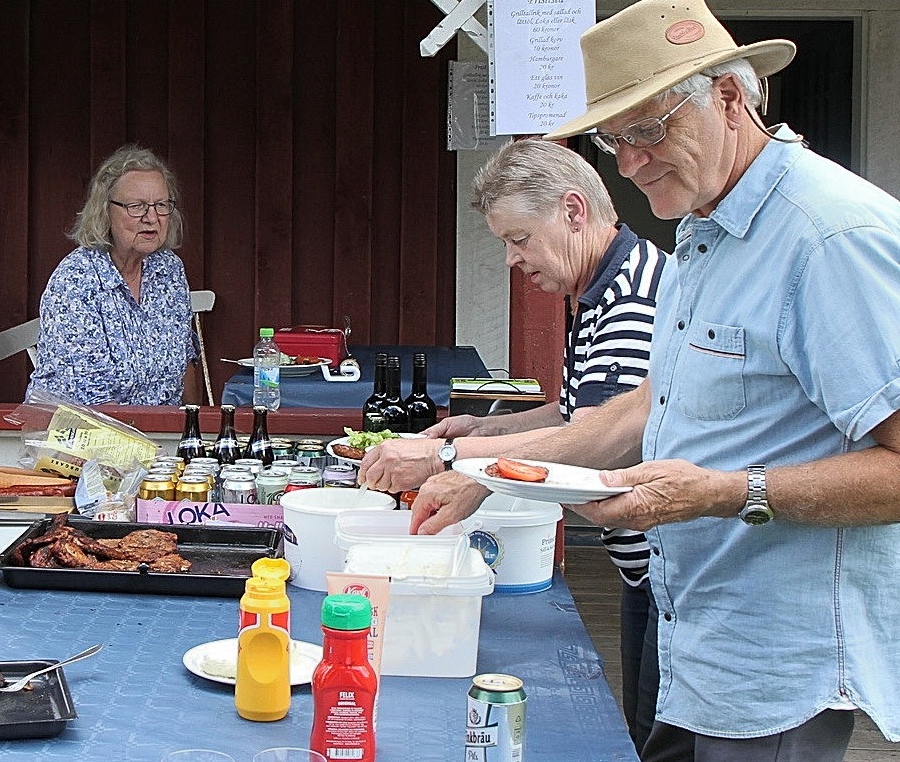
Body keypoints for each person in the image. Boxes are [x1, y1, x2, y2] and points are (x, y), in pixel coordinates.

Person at [405, 0, 900, 759]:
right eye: (613, 140)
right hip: (690, 635)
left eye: (649, 130)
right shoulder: (708, 229)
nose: (630, 164)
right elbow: (646, 406)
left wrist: (725, 492)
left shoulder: (829, 234)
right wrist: (474, 464)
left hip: (772, 667)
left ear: (732, 99)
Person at [361, 138, 669, 751]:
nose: (510, 259)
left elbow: (612, 446)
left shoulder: (632, 300)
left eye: (520, 238)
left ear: (574, 210)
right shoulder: (600, 289)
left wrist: (457, 461)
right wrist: (484, 431)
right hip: (649, 578)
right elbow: (588, 413)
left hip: (676, 584)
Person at [27, 145, 199, 406]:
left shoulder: (169, 270)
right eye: (137, 206)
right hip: (81, 437)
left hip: (158, 434)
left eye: (161, 205)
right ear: (105, 211)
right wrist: (150, 446)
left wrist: (194, 430)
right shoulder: (77, 281)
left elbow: (184, 362)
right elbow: (91, 402)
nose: (151, 218)